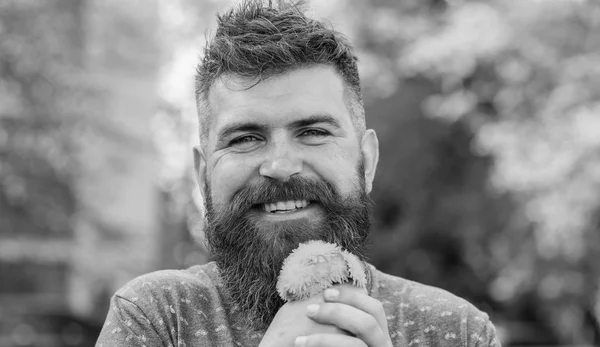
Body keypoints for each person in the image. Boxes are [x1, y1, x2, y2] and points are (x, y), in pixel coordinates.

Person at [95, 1, 501, 346]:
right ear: (203, 175)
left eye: (312, 132)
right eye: (245, 139)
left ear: (368, 161)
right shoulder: (156, 319)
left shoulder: (457, 331)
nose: (281, 166)